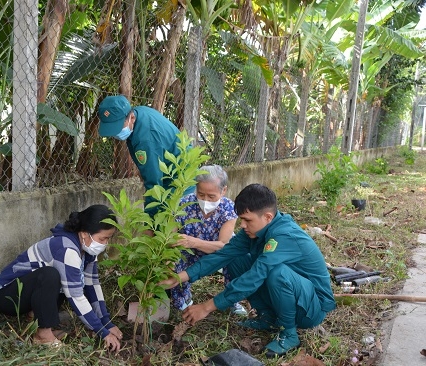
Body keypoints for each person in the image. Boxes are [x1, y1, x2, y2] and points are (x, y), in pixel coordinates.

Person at [160, 184, 336, 358]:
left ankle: (289, 333)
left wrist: (207, 307)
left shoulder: (284, 235)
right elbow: (223, 255)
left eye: (247, 220)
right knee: (235, 260)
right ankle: (267, 318)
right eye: (241, 219)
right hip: (294, 295)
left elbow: (254, 277)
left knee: (277, 273)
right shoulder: (255, 230)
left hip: (311, 309)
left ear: (267, 216)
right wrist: (181, 277)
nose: (242, 225)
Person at [0, 204, 123, 351]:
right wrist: (102, 331)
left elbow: (92, 284)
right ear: (85, 233)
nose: (105, 244)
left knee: (66, 279)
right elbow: (76, 296)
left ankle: (34, 320)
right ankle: (43, 335)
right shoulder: (66, 250)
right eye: (103, 238)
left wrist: (106, 322)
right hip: (7, 295)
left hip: (27, 293)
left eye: (108, 239)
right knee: (51, 275)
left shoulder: (87, 251)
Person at [97, 95, 193, 217]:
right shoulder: (140, 113)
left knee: (166, 226)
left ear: (131, 117)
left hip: (179, 180)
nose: (115, 133)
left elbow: (154, 184)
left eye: (118, 127)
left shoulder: (145, 141)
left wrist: (150, 222)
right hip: (175, 173)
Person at [171, 164, 245, 315]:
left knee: (236, 260)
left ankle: (232, 300)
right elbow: (171, 236)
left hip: (219, 251)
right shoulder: (184, 204)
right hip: (189, 250)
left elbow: (223, 245)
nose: (205, 200)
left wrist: (193, 242)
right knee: (176, 263)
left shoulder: (229, 208)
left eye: (211, 196)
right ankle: (183, 301)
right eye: (201, 194)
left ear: (223, 190)